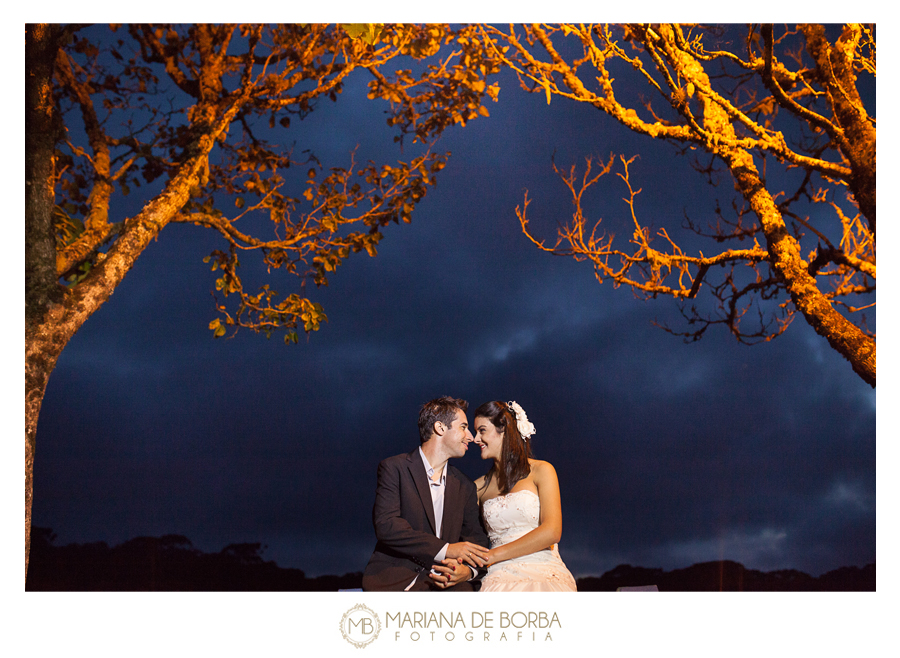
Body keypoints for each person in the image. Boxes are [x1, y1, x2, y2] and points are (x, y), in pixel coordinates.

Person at [361, 396, 491, 591]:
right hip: (395, 581)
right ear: (440, 428)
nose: (471, 436)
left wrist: (468, 572)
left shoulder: (465, 486)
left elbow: (477, 542)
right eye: (463, 427)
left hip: (446, 587)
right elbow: (387, 525)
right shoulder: (394, 468)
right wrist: (447, 550)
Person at [469, 400, 577, 591]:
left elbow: (552, 531)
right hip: (496, 577)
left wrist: (492, 556)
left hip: (542, 571)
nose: (476, 439)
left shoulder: (542, 471)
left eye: (482, 430)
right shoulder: (477, 488)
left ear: (504, 429)